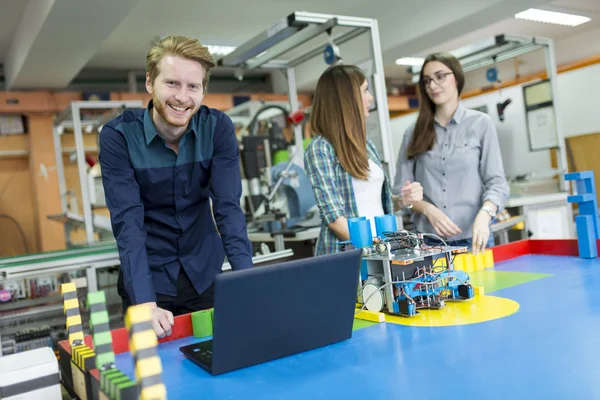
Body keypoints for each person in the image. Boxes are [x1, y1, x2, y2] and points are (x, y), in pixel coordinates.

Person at [98, 36, 253, 338]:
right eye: (172, 83)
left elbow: (228, 209)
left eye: (193, 86)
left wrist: (247, 281)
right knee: (156, 378)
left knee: (220, 362)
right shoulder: (118, 137)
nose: (182, 97)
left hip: (204, 275)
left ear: (202, 90)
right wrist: (144, 302)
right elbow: (128, 222)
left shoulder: (218, 128)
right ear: (149, 83)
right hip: (148, 280)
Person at [394, 52, 510, 254]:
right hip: (429, 244)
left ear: (456, 77)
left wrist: (485, 215)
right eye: (427, 80)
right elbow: (400, 194)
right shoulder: (412, 133)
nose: (432, 85)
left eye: (440, 76)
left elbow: (497, 183)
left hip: (474, 240)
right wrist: (428, 210)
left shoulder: (481, 124)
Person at [304, 64, 423, 255]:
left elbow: (374, 202)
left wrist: (402, 200)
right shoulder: (320, 149)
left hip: (381, 251)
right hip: (350, 256)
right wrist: (374, 251)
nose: (371, 97)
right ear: (346, 99)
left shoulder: (365, 144)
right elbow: (335, 220)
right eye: (365, 90)